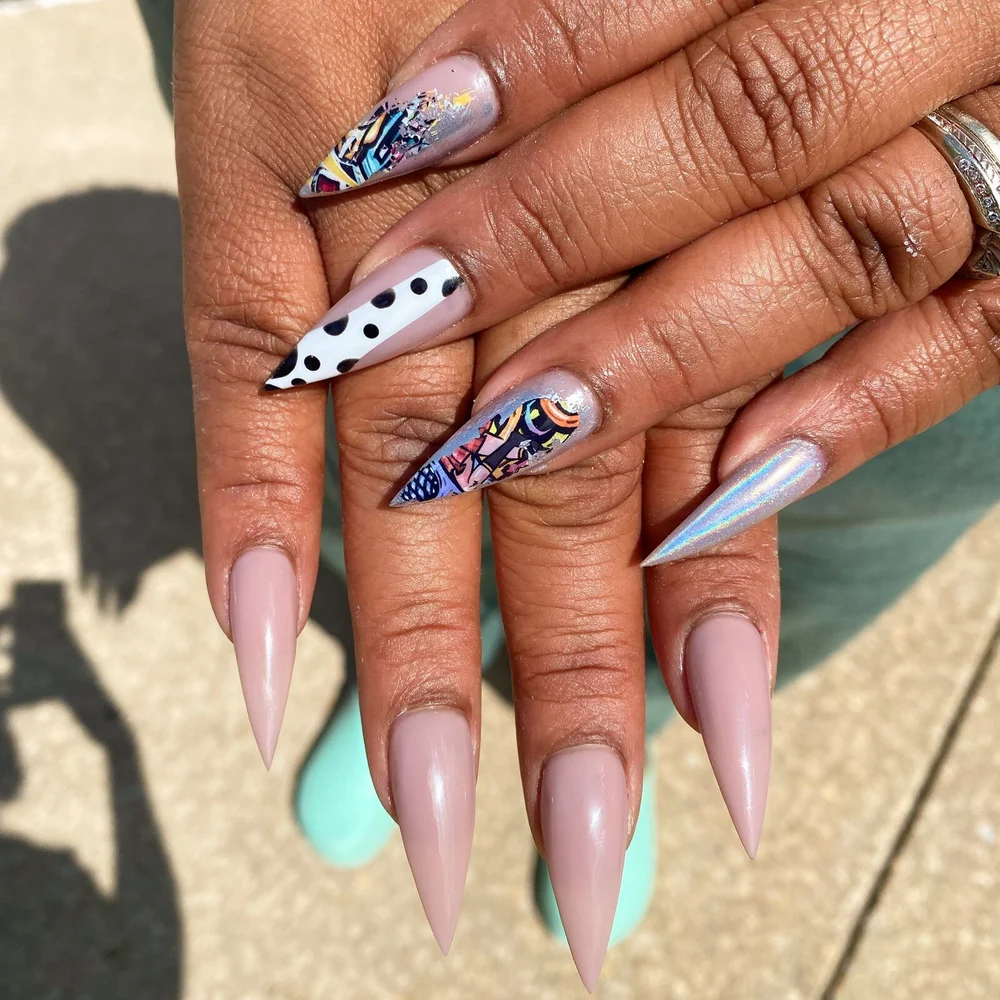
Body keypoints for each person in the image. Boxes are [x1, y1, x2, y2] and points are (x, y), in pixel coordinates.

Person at [167, 0, 1000, 988]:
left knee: (760, 560)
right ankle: (419, 664)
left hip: (943, 249)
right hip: (377, 62)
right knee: (387, 464)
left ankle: (629, 719)